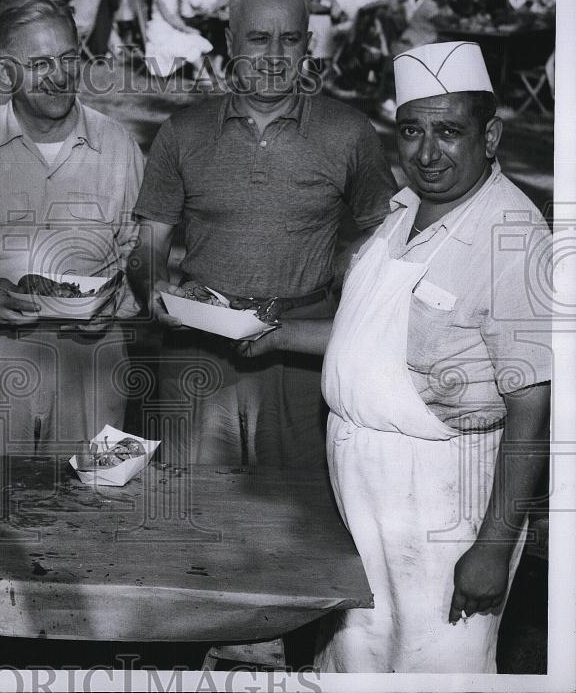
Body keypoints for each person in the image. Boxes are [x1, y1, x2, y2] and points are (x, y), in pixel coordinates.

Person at [235, 41, 552, 672]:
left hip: (441, 500)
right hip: (358, 487)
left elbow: (534, 404)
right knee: (356, 655)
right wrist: (276, 333)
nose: (427, 153)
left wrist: (492, 545)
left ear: (489, 137)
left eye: (449, 132)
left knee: (436, 665)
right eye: (412, 131)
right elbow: (376, 337)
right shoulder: (400, 212)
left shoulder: (512, 236)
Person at [128, 0, 396, 468]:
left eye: (289, 39)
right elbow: (149, 245)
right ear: (229, 41)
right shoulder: (184, 132)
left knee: (301, 511)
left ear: (308, 46)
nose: (274, 57)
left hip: (303, 353)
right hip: (198, 349)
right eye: (257, 38)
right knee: (189, 511)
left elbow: (393, 234)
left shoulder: (349, 132)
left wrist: (346, 260)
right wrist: (153, 289)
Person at [0, 0, 144, 456]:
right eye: (41, 64)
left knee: (88, 507)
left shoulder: (118, 144)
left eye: (68, 58)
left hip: (92, 357)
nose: (61, 76)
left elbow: (137, 247)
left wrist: (119, 298)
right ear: (6, 72)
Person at [144, 0, 213, 78]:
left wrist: (184, 27)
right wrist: (185, 29)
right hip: (159, 29)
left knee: (193, 40)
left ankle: (200, 74)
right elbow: (169, 18)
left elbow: (175, 16)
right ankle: (203, 76)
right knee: (187, 42)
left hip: (170, 27)